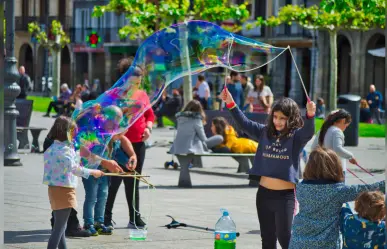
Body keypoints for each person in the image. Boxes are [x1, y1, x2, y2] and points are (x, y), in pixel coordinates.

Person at [221, 88, 316, 249]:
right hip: (263, 195)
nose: (278, 121)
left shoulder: (296, 137)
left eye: (283, 118)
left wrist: (310, 115)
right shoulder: (265, 132)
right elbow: (244, 123)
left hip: (285, 197)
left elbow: (308, 131)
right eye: (275, 117)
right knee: (267, 239)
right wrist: (230, 102)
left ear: (291, 119)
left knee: (285, 239)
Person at [289, 147, 385, 249]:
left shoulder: (300, 186)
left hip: (297, 242)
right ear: (335, 167)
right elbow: (367, 189)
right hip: (325, 245)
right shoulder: (338, 191)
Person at [104, 59, 155, 229]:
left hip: (138, 143)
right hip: (117, 143)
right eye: (133, 82)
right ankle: (106, 217)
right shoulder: (114, 94)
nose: (136, 85)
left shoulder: (142, 94)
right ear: (125, 78)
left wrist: (148, 127)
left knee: (133, 182)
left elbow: (150, 115)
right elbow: (106, 116)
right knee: (114, 182)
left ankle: (135, 216)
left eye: (139, 82)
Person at [43, 116, 104, 248]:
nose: (75, 136)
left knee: (61, 226)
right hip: (64, 190)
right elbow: (74, 169)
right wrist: (93, 172)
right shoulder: (65, 151)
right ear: (66, 133)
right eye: (73, 133)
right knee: (58, 229)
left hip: (53, 189)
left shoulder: (52, 148)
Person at [311, 109, 357, 179]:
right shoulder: (337, 131)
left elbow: (313, 147)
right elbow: (337, 149)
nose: (345, 128)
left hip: (321, 168)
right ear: (343, 121)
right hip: (335, 169)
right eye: (346, 126)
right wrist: (350, 156)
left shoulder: (322, 130)